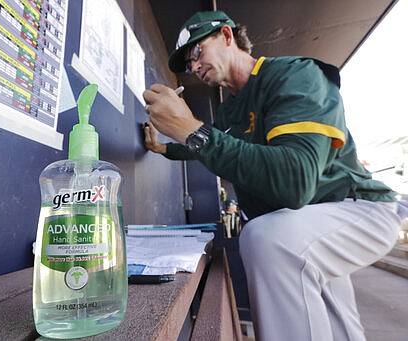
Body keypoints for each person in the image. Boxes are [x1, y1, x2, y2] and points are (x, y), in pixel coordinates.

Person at [142, 10, 405, 341]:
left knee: (267, 238)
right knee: (340, 329)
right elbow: (211, 146)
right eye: (187, 64)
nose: (193, 67)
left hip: (357, 209)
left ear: (226, 36)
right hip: (307, 226)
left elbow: (296, 182)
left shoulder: (294, 75)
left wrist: (191, 130)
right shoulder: (230, 112)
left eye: (196, 52)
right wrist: (165, 147)